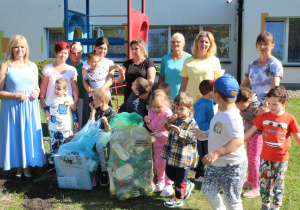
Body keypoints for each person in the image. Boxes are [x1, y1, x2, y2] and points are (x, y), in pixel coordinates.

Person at [193, 74, 247, 209]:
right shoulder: (221, 111)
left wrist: (216, 152)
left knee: (232, 200)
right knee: (208, 190)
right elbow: (218, 132)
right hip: (216, 164)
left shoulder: (232, 117)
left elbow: (238, 140)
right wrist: (203, 134)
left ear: (216, 95)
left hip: (233, 166)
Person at [245, 86, 300, 210]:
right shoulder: (264, 117)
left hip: (281, 160)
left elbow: (297, 136)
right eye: (269, 103)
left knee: (278, 184)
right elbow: (250, 132)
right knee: (263, 183)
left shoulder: (290, 119)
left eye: (275, 104)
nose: (271, 107)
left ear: (284, 103)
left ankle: (275, 206)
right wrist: (237, 141)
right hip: (265, 158)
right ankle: (265, 204)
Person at [0, 35, 46, 180]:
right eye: (16, 47)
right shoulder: (6, 65)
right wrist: (15, 96)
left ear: (26, 49)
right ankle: (19, 167)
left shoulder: (32, 66)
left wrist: (36, 93)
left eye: (22, 47)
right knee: (16, 135)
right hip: (13, 108)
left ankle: (27, 166)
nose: (19, 50)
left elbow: (37, 88)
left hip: (30, 108)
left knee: (28, 135)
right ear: (11, 49)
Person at [161, 92, 198, 208]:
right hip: (173, 153)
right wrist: (170, 121)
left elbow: (193, 136)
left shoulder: (191, 122)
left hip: (183, 156)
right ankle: (186, 184)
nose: (177, 111)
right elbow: (167, 128)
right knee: (170, 173)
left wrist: (180, 132)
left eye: (181, 109)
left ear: (189, 109)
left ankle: (178, 198)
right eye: (176, 108)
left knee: (179, 179)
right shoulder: (176, 118)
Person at [240, 31, 283, 115]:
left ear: (272, 46)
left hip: (269, 107)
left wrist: (264, 107)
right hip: (253, 105)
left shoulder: (275, 64)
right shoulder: (252, 64)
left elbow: (274, 90)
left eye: (266, 44)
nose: (262, 46)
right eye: (260, 43)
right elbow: (243, 86)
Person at [81, 37, 118, 127]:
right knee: (90, 119)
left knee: (105, 119)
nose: (102, 50)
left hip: (104, 96)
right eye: (100, 48)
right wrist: (88, 88)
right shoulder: (87, 62)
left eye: (105, 49)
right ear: (95, 47)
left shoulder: (109, 62)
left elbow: (110, 80)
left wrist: (101, 91)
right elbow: (84, 80)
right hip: (91, 95)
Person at [40, 41, 79, 125]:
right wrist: (42, 102)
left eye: (65, 53)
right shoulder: (48, 69)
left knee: (67, 131)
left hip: (66, 105)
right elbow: (43, 86)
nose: (63, 55)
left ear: (68, 54)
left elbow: (74, 87)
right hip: (51, 105)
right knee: (53, 131)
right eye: (60, 52)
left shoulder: (71, 70)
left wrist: (76, 101)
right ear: (55, 53)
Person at [144, 89, 174, 197]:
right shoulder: (151, 111)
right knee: (158, 163)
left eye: (159, 107)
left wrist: (159, 122)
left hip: (167, 142)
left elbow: (160, 128)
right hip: (157, 141)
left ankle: (169, 184)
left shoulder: (168, 113)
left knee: (167, 164)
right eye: (154, 106)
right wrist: (149, 122)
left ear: (165, 103)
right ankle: (161, 181)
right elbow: (153, 128)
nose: (156, 109)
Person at [44, 78, 79, 169]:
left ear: (65, 90)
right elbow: (45, 106)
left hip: (65, 128)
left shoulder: (68, 98)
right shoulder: (51, 97)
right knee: (53, 146)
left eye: (58, 89)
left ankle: (66, 163)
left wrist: (76, 120)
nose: (55, 90)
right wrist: (47, 113)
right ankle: (52, 163)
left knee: (66, 146)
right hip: (53, 128)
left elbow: (74, 110)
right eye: (55, 88)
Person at [179, 31, 224, 102]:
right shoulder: (187, 61)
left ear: (210, 44)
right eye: (201, 41)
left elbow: (218, 84)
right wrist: (180, 100)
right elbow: (184, 84)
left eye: (206, 42)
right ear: (196, 43)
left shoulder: (215, 61)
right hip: (191, 101)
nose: (203, 44)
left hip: (209, 101)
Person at [235, 86, 263, 198]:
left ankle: (257, 187)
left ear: (249, 101)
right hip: (249, 134)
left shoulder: (256, 108)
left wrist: (239, 112)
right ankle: (251, 180)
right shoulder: (248, 106)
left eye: (241, 106)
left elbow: (254, 115)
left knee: (254, 159)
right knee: (249, 157)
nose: (240, 108)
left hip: (257, 135)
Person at [89, 87, 117, 187]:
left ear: (102, 100)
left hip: (106, 132)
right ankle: (91, 170)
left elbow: (110, 130)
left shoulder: (111, 112)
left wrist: (106, 123)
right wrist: (92, 111)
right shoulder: (96, 110)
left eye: (94, 99)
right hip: (96, 132)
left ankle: (104, 171)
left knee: (100, 145)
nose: (93, 101)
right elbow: (90, 124)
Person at [193, 80, 215, 182]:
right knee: (204, 154)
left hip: (206, 133)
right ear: (210, 92)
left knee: (205, 153)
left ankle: (198, 169)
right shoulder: (203, 105)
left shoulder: (207, 101)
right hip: (203, 134)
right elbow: (200, 121)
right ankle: (198, 174)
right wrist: (208, 131)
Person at [158, 33, 191, 99]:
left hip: (183, 96)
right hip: (166, 96)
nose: (175, 44)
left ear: (183, 44)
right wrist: (159, 93)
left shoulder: (189, 58)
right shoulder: (165, 58)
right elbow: (161, 78)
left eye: (178, 42)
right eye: (173, 42)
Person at [68, 41, 85, 129]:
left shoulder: (85, 66)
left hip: (82, 98)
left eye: (78, 53)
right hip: (69, 99)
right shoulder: (66, 67)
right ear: (69, 54)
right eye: (73, 53)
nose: (76, 55)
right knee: (70, 123)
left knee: (80, 124)